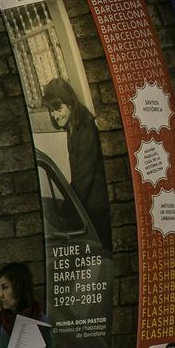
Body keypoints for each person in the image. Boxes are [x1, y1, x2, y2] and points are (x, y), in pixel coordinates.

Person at [41, 78, 112, 251]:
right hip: (89, 207)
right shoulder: (73, 126)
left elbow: (83, 179)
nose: (55, 115)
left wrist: (66, 214)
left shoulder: (85, 128)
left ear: (70, 105)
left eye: (58, 109)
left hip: (96, 211)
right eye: (51, 111)